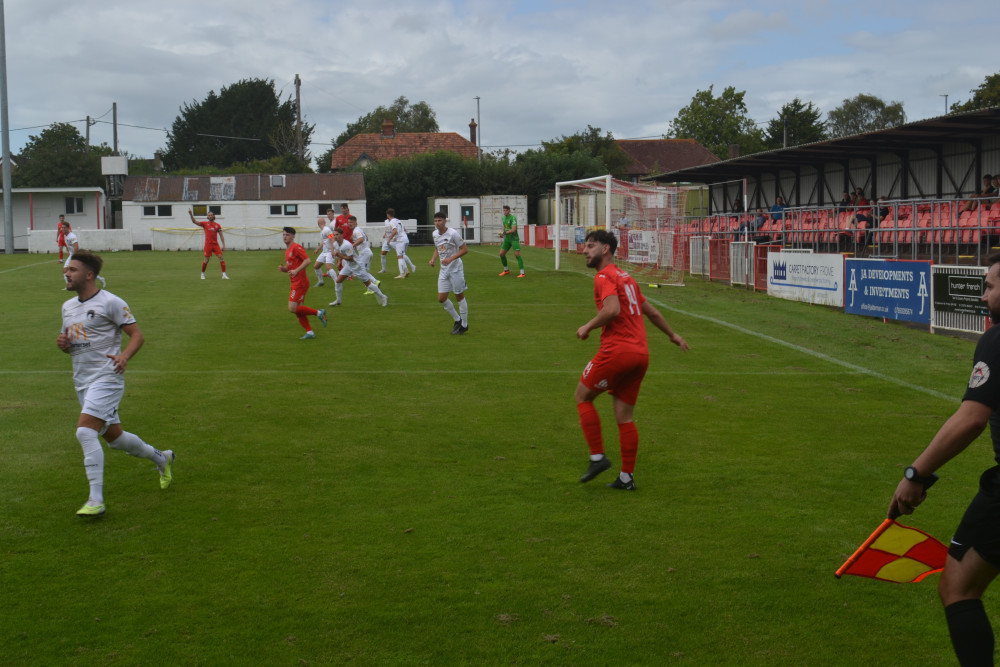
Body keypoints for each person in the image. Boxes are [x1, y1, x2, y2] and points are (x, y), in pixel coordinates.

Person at [888, 252, 1000, 666]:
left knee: (958, 587)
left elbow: (971, 419)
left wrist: (916, 472)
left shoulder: (997, 338)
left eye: (989, 286)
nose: (984, 295)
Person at [57, 250, 174, 517]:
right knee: (115, 439)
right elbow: (73, 343)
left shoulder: (111, 302)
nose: (66, 273)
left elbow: (136, 335)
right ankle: (162, 457)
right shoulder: (68, 307)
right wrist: (63, 344)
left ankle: (95, 500)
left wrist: (124, 356)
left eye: (72, 269)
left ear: (89, 275)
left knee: (85, 432)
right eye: (66, 269)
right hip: (82, 381)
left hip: (107, 377)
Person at [575, 230, 689, 490]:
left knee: (582, 396)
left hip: (618, 351)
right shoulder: (627, 278)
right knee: (624, 417)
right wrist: (673, 335)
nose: (585, 251)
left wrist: (588, 326)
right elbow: (652, 312)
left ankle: (597, 457)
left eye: (591, 246)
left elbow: (612, 310)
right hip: (640, 355)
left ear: (606, 249)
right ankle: (626, 478)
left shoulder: (604, 276)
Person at [279, 226, 328, 339]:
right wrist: (284, 269)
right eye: (283, 235)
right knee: (298, 311)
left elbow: (308, 260)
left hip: (300, 282)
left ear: (293, 236)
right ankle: (310, 332)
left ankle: (319, 313)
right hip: (295, 282)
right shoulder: (288, 250)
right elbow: (291, 266)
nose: (285, 237)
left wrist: (296, 270)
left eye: (287, 235)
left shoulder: (296, 247)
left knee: (292, 308)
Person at [429, 211, 469, 334]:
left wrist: (451, 258)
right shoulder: (435, 234)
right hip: (444, 270)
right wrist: (433, 259)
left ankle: (464, 324)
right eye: (435, 221)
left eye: (440, 220)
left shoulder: (453, 234)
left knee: (459, 296)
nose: (437, 223)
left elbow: (465, 250)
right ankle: (457, 320)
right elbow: (438, 248)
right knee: (441, 298)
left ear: (445, 221)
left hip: (456, 269)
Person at [328, 227, 388, 307]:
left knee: (368, 284)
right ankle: (338, 300)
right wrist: (339, 261)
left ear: (341, 235)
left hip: (357, 266)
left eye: (337, 234)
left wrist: (340, 256)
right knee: (338, 281)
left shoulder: (347, 245)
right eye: (334, 235)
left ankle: (383, 297)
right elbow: (339, 251)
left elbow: (351, 258)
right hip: (349, 265)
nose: (335, 236)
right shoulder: (336, 243)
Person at [188, 209, 229, 280]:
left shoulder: (217, 225)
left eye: (211, 215)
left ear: (213, 216)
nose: (209, 216)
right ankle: (202, 274)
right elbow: (194, 222)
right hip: (208, 244)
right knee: (206, 260)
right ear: (207, 217)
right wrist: (191, 214)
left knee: (221, 257)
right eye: (208, 215)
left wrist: (224, 245)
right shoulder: (205, 224)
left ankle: (224, 275)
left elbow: (221, 236)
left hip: (215, 244)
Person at [347, 216, 380, 296]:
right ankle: (375, 283)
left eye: (351, 222)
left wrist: (353, 245)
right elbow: (365, 237)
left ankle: (373, 284)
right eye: (348, 222)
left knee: (361, 271)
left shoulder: (356, 230)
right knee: (362, 271)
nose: (349, 224)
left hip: (364, 253)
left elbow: (361, 239)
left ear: (355, 222)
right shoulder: (358, 230)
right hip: (367, 252)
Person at [384, 208, 417, 278]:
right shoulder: (398, 220)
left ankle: (402, 274)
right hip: (405, 239)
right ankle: (407, 269)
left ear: (387, 215)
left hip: (400, 240)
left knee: (400, 257)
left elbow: (395, 230)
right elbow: (404, 229)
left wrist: (389, 239)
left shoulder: (391, 222)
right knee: (402, 255)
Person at [498, 204, 525, 277]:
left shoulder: (513, 218)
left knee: (517, 255)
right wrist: (502, 233)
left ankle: (522, 273)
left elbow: (513, 230)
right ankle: (506, 270)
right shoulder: (503, 218)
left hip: (514, 239)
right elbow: (504, 226)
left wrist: (504, 233)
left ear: (509, 211)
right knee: (501, 254)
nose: (505, 212)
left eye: (506, 210)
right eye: (504, 210)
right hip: (507, 239)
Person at [312, 217, 335, 287]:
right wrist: (318, 249)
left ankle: (337, 281)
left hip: (329, 252)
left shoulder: (327, 230)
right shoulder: (322, 231)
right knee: (316, 266)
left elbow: (332, 239)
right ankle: (321, 281)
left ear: (318, 224)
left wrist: (333, 251)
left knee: (328, 267)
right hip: (324, 252)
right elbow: (324, 241)